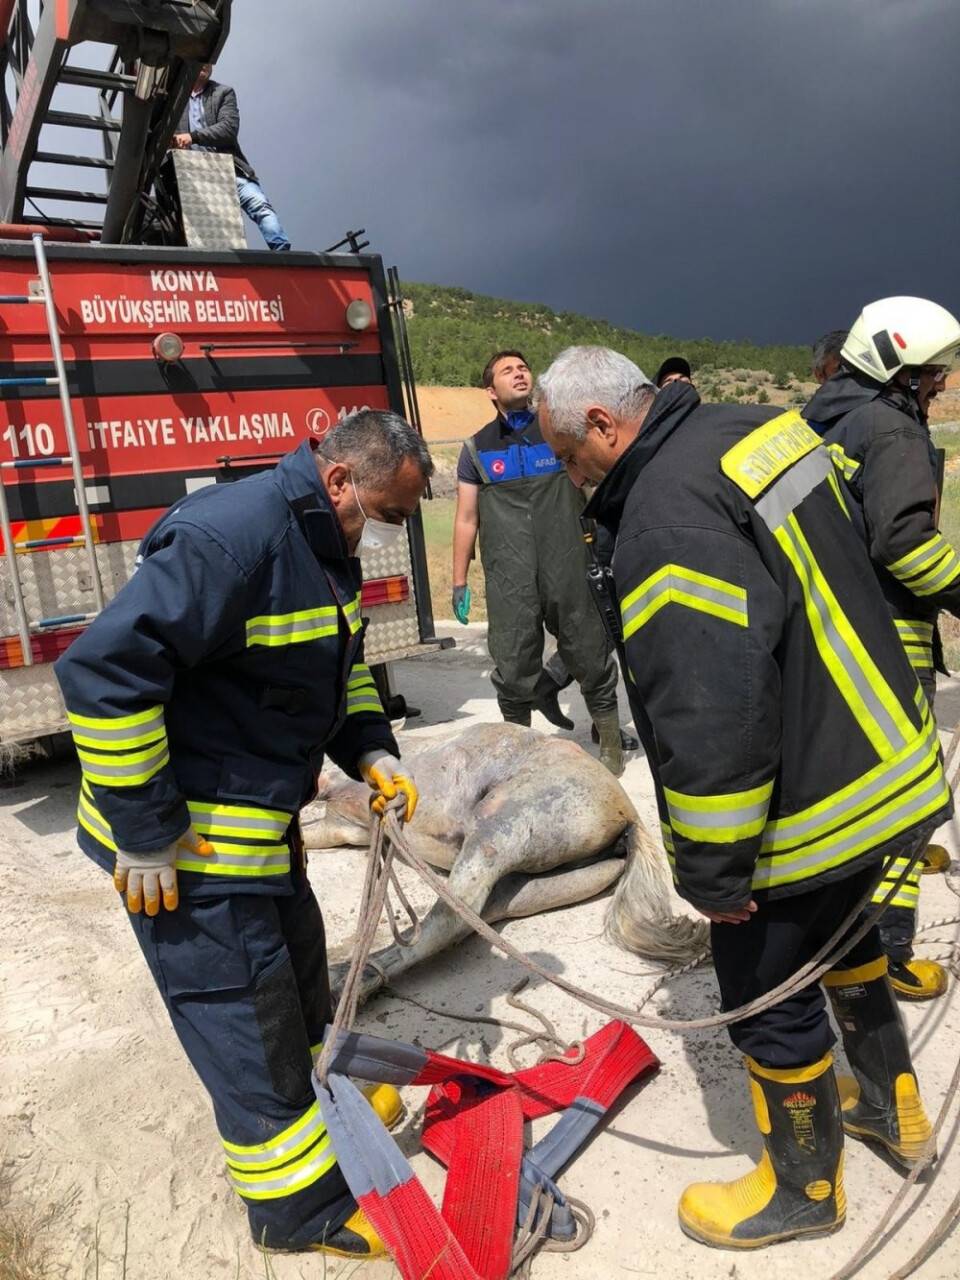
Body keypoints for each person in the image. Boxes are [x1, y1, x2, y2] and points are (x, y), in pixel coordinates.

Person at [535, 345, 950, 1250]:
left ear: (604, 423)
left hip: (806, 802)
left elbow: (710, 710)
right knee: (846, 939)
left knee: (768, 987)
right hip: (881, 761)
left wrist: (717, 876)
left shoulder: (662, 520)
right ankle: (891, 1106)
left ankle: (804, 1189)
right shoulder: (755, 429)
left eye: (570, 456)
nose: (572, 478)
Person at [54, 412, 434, 1259]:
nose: (384, 534)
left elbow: (331, 669)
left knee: (296, 984)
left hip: (255, 830)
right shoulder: (233, 541)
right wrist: (146, 831)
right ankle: (298, 1212)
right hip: (181, 851)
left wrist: (371, 750)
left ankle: (325, 1107)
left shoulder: (323, 542)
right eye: (386, 514)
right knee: (247, 1021)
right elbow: (103, 672)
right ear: (339, 480)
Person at [804, 297, 960, 999]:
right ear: (900, 369)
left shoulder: (825, 415)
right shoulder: (891, 427)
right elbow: (904, 543)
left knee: (863, 790)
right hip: (890, 635)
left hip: (835, 626)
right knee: (907, 798)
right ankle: (892, 951)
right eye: (933, 372)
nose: (942, 383)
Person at [451, 348, 628, 773]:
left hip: (567, 559)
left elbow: (597, 488)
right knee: (513, 656)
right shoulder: (476, 449)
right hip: (509, 571)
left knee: (587, 644)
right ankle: (517, 753)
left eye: (523, 368)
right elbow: (466, 518)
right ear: (490, 390)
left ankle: (610, 742)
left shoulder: (559, 433)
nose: (519, 374)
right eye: (507, 371)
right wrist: (459, 581)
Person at [173, 63, 291, 251]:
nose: (205, 64)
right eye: (201, 59)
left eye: (209, 61)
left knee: (259, 204)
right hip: (192, 172)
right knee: (203, 228)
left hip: (228, 167)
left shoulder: (222, 92)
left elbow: (228, 128)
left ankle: (282, 251)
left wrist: (192, 137)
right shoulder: (175, 99)